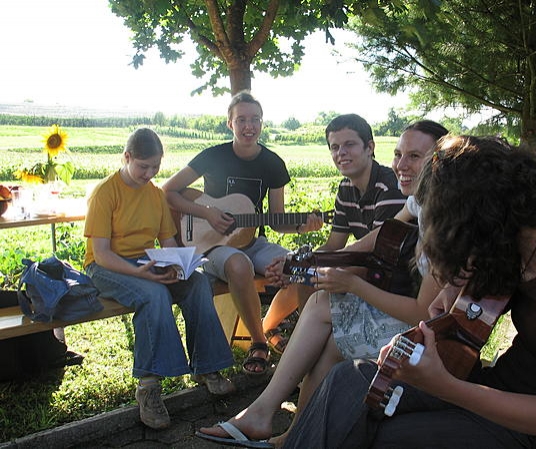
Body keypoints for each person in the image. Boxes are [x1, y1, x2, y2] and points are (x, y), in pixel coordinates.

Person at [282, 135, 536, 449]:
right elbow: (474, 286)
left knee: (382, 436)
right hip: (501, 387)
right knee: (349, 380)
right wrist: (453, 290)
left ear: (480, 215)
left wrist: (444, 386)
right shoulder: (516, 241)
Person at [196, 120, 448, 448]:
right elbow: (374, 238)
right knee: (322, 322)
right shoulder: (418, 201)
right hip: (391, 299)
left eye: (414, 156)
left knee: (321, 309)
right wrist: (304, 265)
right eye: (399, 154)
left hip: (419, 328)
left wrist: (334, 278)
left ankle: (268, 415)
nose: (401, 164)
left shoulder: (434, 216)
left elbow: (396, 282)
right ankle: (292, 430)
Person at [84, 128, 235, 430]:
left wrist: (175, 266)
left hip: (146, 262)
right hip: (106, 268)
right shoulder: (106, 192)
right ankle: (149, 387)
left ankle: (207, 368)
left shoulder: (155, 195)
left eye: (156, 166)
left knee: (197, 283)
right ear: (127, 157)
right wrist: (140, 273)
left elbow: (167, 242)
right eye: (143, 166)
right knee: (153, 294)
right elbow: (100, 254)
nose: (150, 173)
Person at [162, 91, 322, 375]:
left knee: (302, 266)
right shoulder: (213, 156)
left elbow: (276, 220)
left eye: (255, 119)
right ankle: (258, 343)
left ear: (262, 123)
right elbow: (168, 191)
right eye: (242, 120)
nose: (249, 126)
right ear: (230, 123)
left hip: (252, 241)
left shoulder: (273, 163)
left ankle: (272, 326)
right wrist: (207, 213)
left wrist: (301, 226)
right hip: (212, 246)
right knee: (239, 264)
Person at [260, 113, 408, 353]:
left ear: (370, 147)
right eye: (335, 147)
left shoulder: (388, 186)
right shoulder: (346, 188)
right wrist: (296, 263)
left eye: (349, 144)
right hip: (368, 265)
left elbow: (378, 249)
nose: (341, 153)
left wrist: (303, 266)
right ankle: (287, 336)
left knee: (309, 275)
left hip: (390, 274)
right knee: (303, 273)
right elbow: (333, 244)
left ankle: (303, 344)